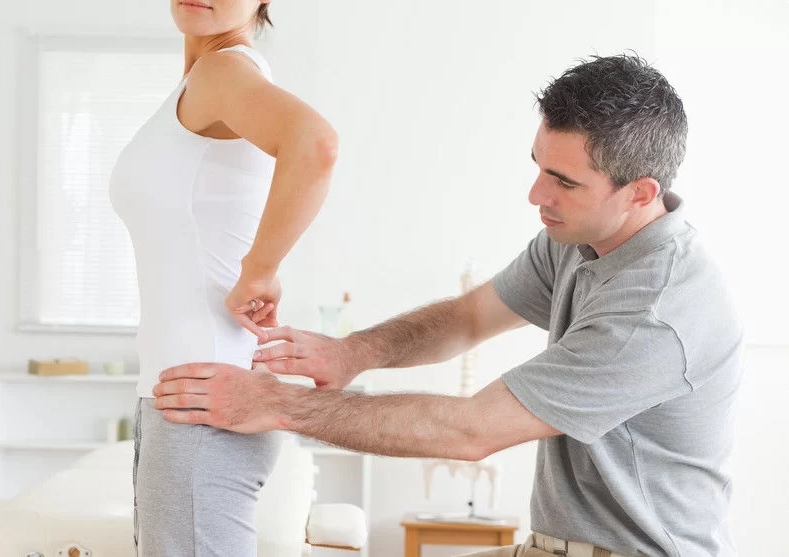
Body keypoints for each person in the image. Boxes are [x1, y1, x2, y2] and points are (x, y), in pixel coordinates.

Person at [152, 54, 743, 557]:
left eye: (564, 181)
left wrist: (279, 404)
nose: (536, 194)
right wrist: (353, 353)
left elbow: (470, 431)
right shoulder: (579, 239)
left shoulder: (656, 311)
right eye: (538, 167)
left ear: (640, 193)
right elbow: (468, 317)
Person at [108, 0, 339, 554]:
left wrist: (260, 269)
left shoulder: (222, 70)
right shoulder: (204, 81)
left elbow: (316, 144)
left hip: (200, 404)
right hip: (183, 396)